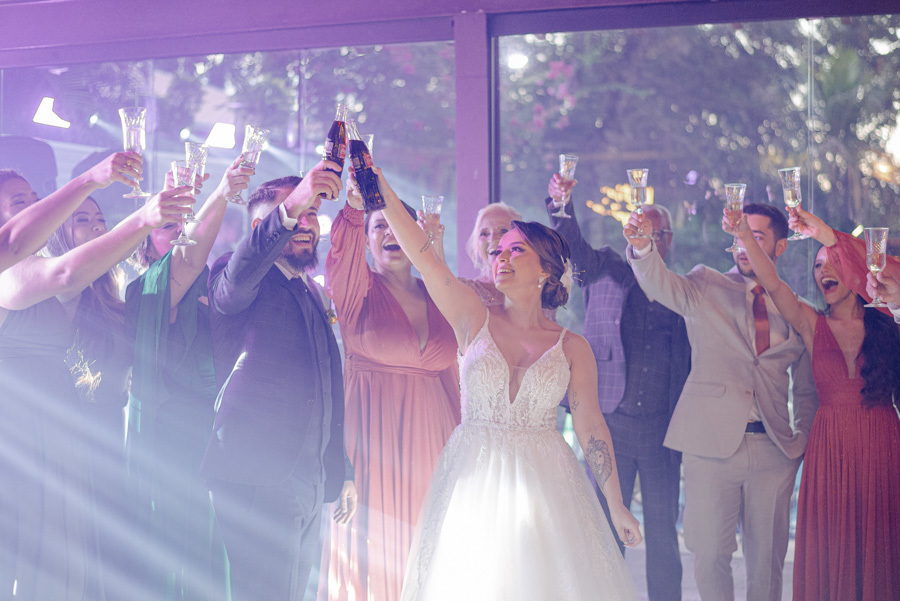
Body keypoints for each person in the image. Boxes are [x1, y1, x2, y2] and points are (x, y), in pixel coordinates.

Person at [371, 168, 642, 601]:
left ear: (546, 270)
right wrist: (379, 185)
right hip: (473, 480)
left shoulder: (573, 348)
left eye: (516, 250)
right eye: (497, 250)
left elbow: (591, 426)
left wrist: (615, 503)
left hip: (546, 488)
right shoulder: (471, 316)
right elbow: (424, 258)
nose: (500, 256)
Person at [0, 173, 189, 601]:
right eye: (20, 202)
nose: (37, 208)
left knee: (63, 565)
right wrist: (142, 217)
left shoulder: (82, 288)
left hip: (61, 435)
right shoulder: (14, 275)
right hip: (16, 432)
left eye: (38, 198)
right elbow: (66, 272)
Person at [624, 203, 818, 601]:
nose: (744, 246)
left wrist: (799, 443)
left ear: (780, 247)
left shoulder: (797, 311)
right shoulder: (705, 284)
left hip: (774, 450)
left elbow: (806, 390)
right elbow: (660, 284)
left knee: (766, 565)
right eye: (740, 236)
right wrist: (643, 249)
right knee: (710, 555)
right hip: (710, 447)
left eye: (756, 237)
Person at [724, 206, 900, 601]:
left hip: (882, 442)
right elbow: (772, 283)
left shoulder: (890, 322)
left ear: (855, 269)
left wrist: (829, 235)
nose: (824, 272)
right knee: (832, 544)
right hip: (830, 444)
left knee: (880, 544)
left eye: (834, 261)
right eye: (818, 265)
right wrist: (746, 236)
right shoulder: (810, 322)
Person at [202, 160, 357, 601]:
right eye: (297, 213)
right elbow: (239, 277)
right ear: (261, 227)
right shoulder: (235, 273)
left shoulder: (310, 290)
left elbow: (325, 385)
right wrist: (294, 204)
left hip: (308, 476)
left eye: (313, 213)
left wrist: (340, 468)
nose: (307, 223)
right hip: (259, 472)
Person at [545, 173, 690, 601]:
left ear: (668, 242)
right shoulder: (605, 267)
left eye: (659, 234)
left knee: (663, 533)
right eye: (644, 229)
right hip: (611, 426)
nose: (650, 238)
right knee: (606, 531)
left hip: (663, 432)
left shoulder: (676, 290)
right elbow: (576, 251)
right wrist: (562, 206)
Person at [320, 175, 460, 601]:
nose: (389, 232)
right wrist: (354, 206)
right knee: (375, 554)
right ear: (366, 241)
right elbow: (341, 251)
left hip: (435, 443)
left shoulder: (442, 295)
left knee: (432, 554)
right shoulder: (357, 290)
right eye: (378, 226)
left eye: (397, 224)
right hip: (371, 442)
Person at [125, 155, 245, 600]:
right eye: (167, 227)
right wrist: (223, 191)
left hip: (215, 430)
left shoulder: (215, 284)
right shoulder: (145, 289)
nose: (179, 232)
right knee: (179, 541)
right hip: (172, 432)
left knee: (215, 547)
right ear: (145, 242)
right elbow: (188, 259)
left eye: (185, 224)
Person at [0, 152, 141, 273]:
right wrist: (91, 178)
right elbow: (66, 275)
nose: (35, 208)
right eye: (19, 202)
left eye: (36, 200)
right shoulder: (11, 277)